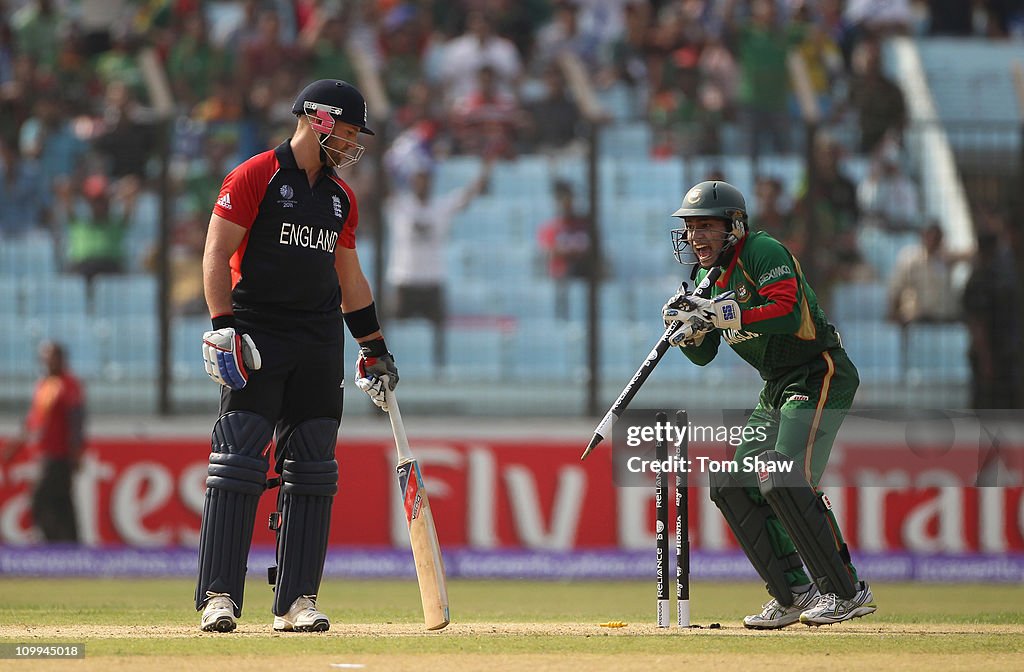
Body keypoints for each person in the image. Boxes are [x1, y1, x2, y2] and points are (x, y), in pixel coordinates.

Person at [195, 79, 399, 634]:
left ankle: (295, 601)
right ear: (320, 119)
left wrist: (373, 346)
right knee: (238, 460)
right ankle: (219, 596)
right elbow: (215, 252)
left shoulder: (340, 198)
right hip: (258, 332)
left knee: (312, 466)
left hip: (316, 340)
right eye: (350, 130)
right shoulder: (256, 173)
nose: (354, 144)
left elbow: (349, 277)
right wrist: (222, 327)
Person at [661, 180, 876, 629]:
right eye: (691, 228)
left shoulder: (762, 251)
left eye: (707, 227)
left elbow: (787, 309)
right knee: (733, 484)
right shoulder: (706, 279)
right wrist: (689, 331)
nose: (697, 237)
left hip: (817, 371)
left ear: (735, 227)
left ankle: (846, 591)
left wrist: (725, 314)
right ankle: (794, 591)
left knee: (784, 473)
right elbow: (704, 356)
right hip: (775, 386)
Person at [385, 159, 491, 368]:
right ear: (412, 182)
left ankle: (438, 371)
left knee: (439, 331)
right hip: (404, 279)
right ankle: (389, 368)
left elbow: (470, 193)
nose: (422, 183)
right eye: (419, 179)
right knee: (390, 328)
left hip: (432, 280)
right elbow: (381, 185)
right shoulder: (400, 204)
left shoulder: (441, 206)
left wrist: (487, 167)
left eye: (426, 179)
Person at [0, 341, 85, 543]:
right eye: (44, 356)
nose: (46, 360)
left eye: (51, 355)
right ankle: (71, 547)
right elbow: (33, 422)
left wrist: (76, 452)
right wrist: (14, 447)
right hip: (45, 453)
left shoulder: (68, 384)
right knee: (62, 502)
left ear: (61, 358)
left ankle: (55, 546)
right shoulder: (44, 385)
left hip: (60, 454)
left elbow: (76, 420)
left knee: (41, 500)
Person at [537, 180, 595, 319]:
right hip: (560, 276)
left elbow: (589, 250)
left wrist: (567, 251)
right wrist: (572, 252)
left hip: (583, 276)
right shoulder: (551, 228)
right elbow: (550, 252)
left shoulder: (584, 225)